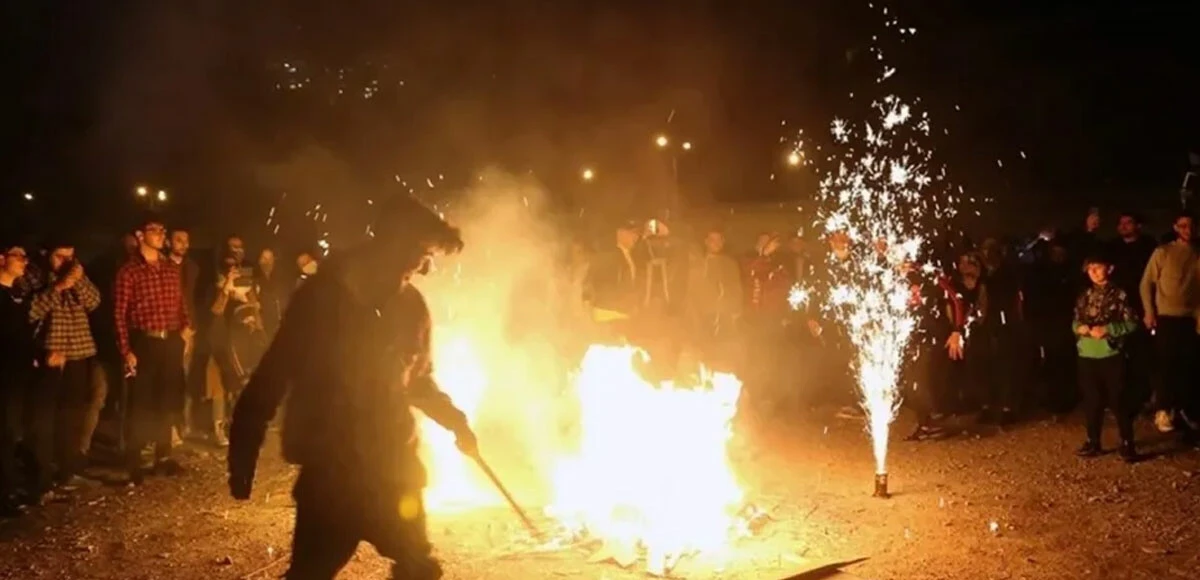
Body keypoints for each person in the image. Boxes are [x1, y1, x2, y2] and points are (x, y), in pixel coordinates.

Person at [228, 194, 477, 580]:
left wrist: (457, 423)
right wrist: (242, 453)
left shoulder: (411, 306)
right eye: (421, 252)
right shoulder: (320, 300)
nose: (426, 266)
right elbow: (272, 376)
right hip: (333, 477)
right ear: (394, 244)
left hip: (393, 473)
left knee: (418, 570)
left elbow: (418, 381)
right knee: (311, 573)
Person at [113, 216, 193, 484]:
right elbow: (119, 314)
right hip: (145, 342)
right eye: (154, 230)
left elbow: (181, 303)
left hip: (170, 341)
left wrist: (185, 329)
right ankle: (134, 460)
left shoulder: (171, 269)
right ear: (139, 235)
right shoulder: (129, 272)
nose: (160, 235)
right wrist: (126, 350)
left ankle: (163, 456)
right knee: (142, 402)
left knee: (167, 399)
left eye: (162, 230)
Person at [27, 239, 103, 491]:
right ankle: (43, 477)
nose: (66, 262)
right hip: (50, 356)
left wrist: (77, 280)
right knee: (46, 420)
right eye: (60, 257)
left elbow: (94, 301)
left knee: (72, 415)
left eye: (70, 257)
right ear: (46, 254)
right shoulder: (34, 277)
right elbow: (30, 312)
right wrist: (59, 286)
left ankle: (68, 470)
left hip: (78, 352)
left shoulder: (76, 275)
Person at [1139, 212, 1200, 438]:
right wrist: (1149, 311)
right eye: (1183, 226)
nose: (1188, 230)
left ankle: (1184, 409)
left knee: (1188, 367)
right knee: (1165, 365)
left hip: (1190, 319)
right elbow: (1146, 283)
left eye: (1191, 226)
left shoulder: (1197, 255)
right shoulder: (1163, 252)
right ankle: (1162, 410)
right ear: (1176, 227)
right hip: (1165, 317)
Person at [1073, 255, 1138, 461]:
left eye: (1097, 267)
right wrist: (1079, 328)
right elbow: (1075, 320)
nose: (1092, 271)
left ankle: (1127, 442)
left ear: (1109, 268)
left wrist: (1109, 329)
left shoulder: (1120, 295)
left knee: (1118, 400)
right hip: (1087, 354)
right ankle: (1093, 441)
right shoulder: (1085, 295)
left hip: (1110, 354)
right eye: (1089, 267)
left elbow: (1132, 322)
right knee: (1092, 401)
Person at [0, 242, 32, 516]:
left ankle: (9, 487)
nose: (24, 261)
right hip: (4, 374)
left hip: (17, 374)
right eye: (18, 256)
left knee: (11, 432)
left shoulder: (17, 293)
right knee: (5, 432)